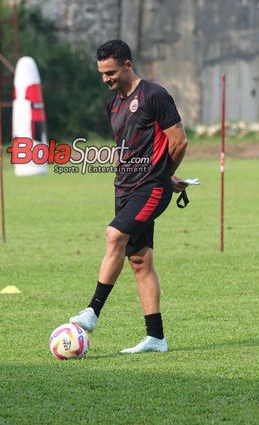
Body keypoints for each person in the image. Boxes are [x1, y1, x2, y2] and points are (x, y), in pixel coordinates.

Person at [68, 39, 189, 354]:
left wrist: (162, 175)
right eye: (102, 74)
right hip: (124, 187)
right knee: (139, 260)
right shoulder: (113, 103)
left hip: (150, 188)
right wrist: (163, 171)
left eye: (110, 72)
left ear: (127, 65)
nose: (106, 79)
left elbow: (179, 142)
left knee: (114, 235)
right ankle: (156, 338)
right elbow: (135, 149)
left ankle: (93, 311)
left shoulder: (154, 96)